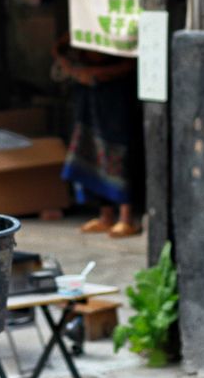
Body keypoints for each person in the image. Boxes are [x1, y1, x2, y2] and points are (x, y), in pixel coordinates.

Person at [52, 36, 142, 237]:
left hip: (116, 100)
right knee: (94, 153)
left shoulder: (119, 38)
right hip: (90, 100)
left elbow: (131, 62)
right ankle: (106, 216)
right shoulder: (83, 32)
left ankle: (126, 217)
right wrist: (77, 71)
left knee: (118, 155)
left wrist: (96, 73)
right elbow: (59, 49)